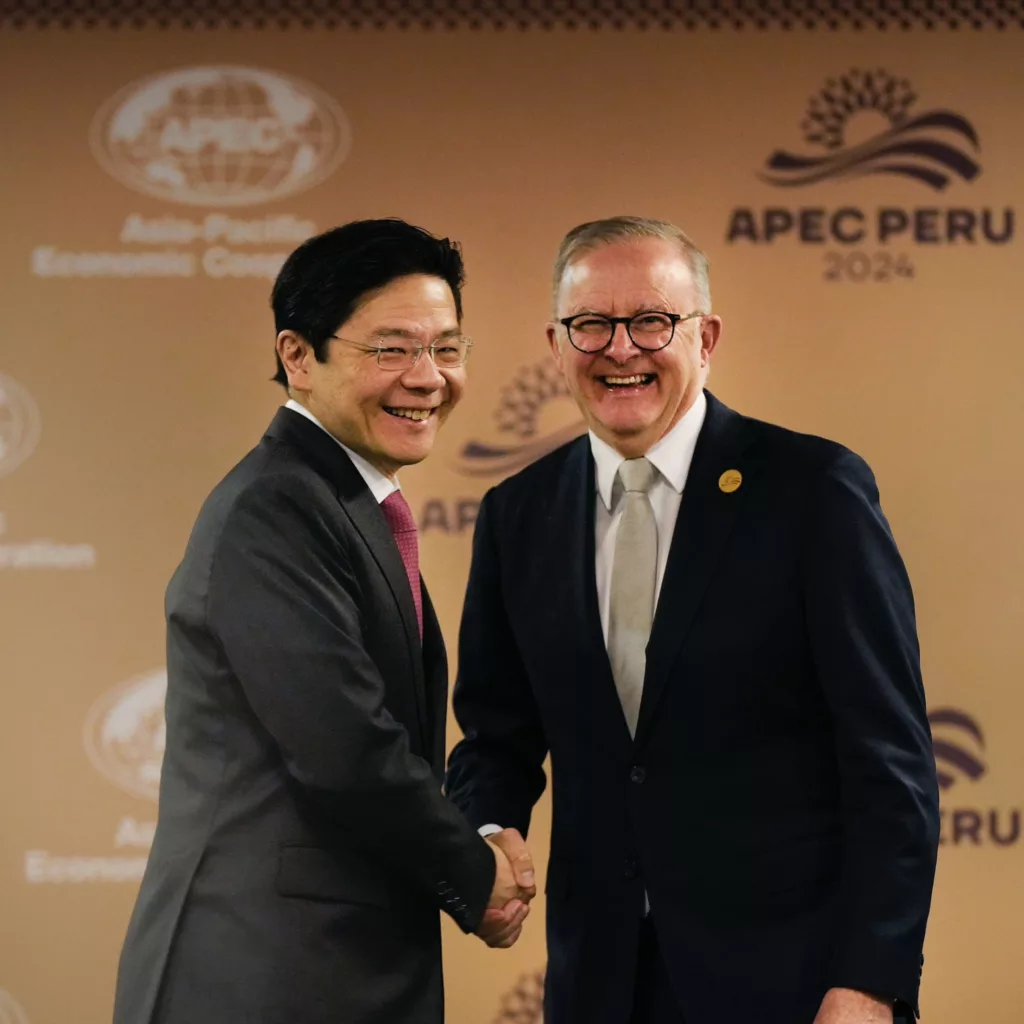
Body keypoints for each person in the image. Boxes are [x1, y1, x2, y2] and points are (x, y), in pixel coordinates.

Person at [445, 216, 940, 1024]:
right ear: (556, 342)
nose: (620, 348)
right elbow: (495, 737)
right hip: (597, 984)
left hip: (795, 986)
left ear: (705, 338)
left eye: (652, 321)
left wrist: (872, 980)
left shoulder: (813, 491)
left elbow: (890, 765)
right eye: (591, 325)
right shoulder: (517, 515)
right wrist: (488, 833)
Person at [112, 219, 534, 1024]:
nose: (428, 377)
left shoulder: (344, 502)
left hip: (333, 970)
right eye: (391, 350)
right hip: (263, 979)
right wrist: (475, 876)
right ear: (299, 357)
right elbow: (345, 747)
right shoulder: (276, 508)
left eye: (446, 348)